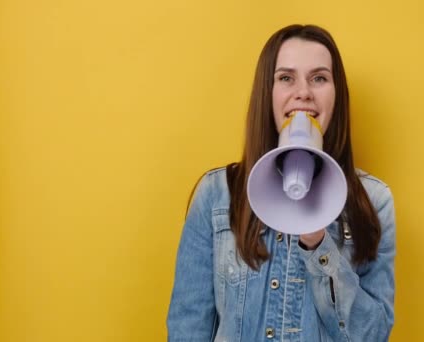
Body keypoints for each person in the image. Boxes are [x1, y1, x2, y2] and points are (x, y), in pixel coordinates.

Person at [167, 24, 396, 341]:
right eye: (286, 78)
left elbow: (372, 334)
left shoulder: (374, 200)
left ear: (337, 95)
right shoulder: (217, 194)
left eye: (319, 78)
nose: (303, 91)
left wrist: (319, 244)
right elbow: (187, 327)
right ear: (267, 93)